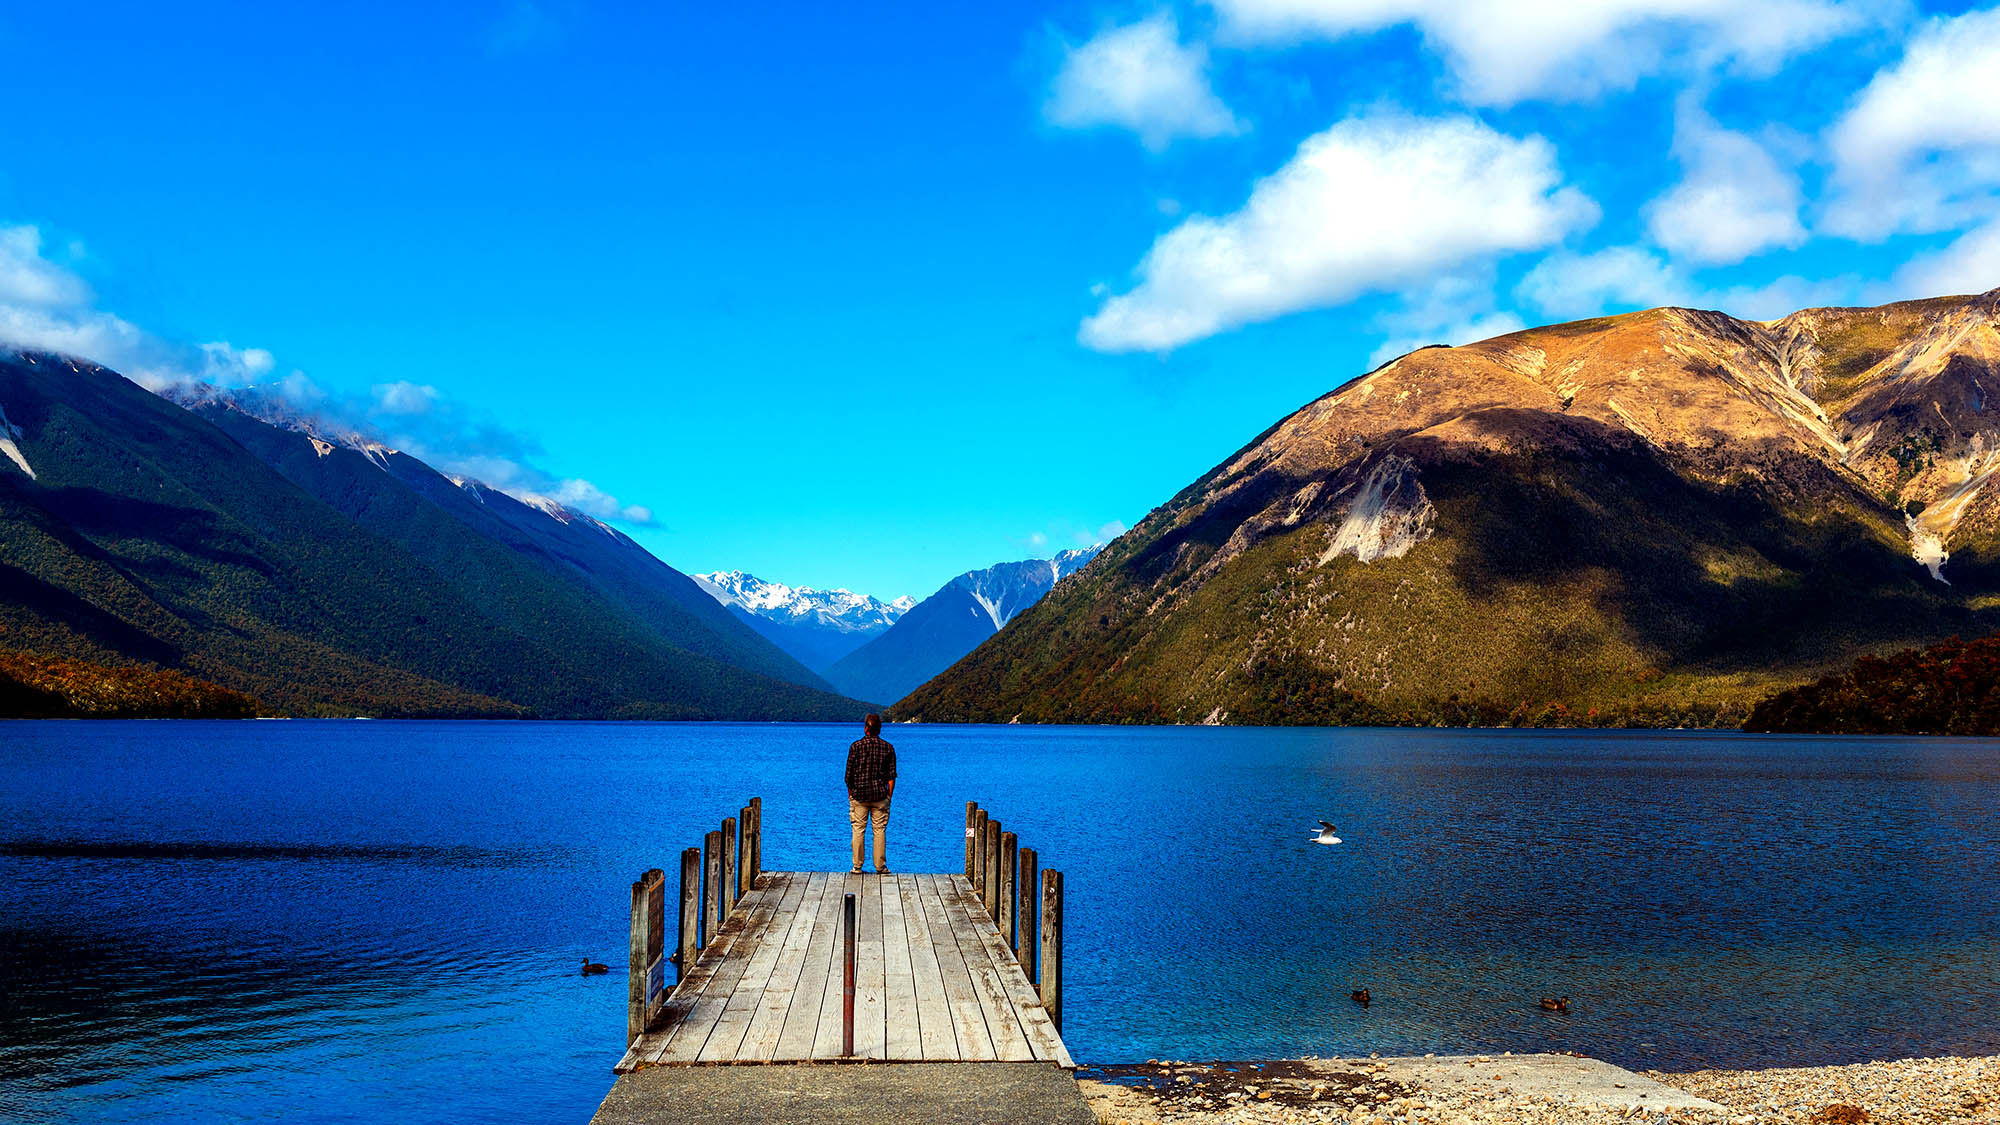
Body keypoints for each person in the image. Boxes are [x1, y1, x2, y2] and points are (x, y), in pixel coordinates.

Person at [845, 713, 896, 875]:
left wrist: (851, 794)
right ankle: (880, 867)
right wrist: (889, 796)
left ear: (866, 728)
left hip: (859, 795)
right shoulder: (888, 748)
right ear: (879, 729)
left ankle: (857, 866)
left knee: (858, 829)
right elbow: (891, 776)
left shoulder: (855, 746)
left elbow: (848, 776)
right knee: (879, 830)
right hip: (880, 795)